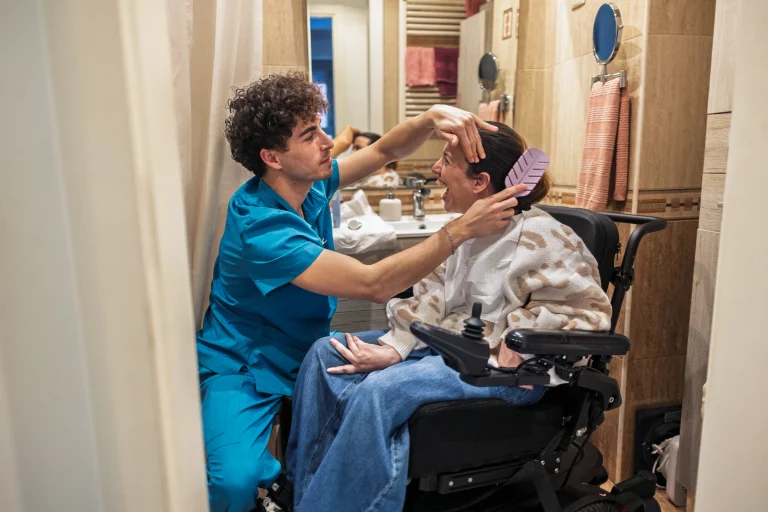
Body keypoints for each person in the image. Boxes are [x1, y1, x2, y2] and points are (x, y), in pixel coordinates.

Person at [196, 72, 526, 512]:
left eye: (320, 128)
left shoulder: (307, 188)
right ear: (272, 157)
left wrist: (430, 117)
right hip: (243, 364)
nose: (328, 141)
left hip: (301, 353)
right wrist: (461, 229)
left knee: (338, 415)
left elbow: (385, 150)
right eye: (310, 134)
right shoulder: (261, 226)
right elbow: (375, 285)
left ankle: (303, 493)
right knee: (233, 482)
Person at [285, 123, 613, 512]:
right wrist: (396, 348)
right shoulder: (463, 232)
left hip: (503, 372)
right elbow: (430, 296)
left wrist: (519, 343)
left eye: (446, 160)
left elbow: (588, 314)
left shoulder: (544, 237)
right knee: (325, 352)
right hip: (444, 347)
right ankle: (304, 497)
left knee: (381, 391)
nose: (436, 170)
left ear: (481, 182)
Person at [332, 127, 401, 187]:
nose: (352, 152)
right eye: (353, 148)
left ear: (374, 152)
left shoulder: (387, 180)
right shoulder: (359, 175)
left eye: (358, 148)